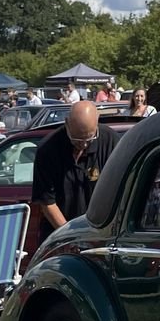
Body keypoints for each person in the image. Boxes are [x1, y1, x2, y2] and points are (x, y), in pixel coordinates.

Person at [31, 100, 119, 241]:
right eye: (77, 139)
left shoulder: (111, 141)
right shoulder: (48, 149)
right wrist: (70, 237)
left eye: (89, 139)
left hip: (100, 233)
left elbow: (119, 190)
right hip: (59, 232)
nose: (83, 145)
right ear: (67, 124)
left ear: (97, 123)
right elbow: (47, 203)